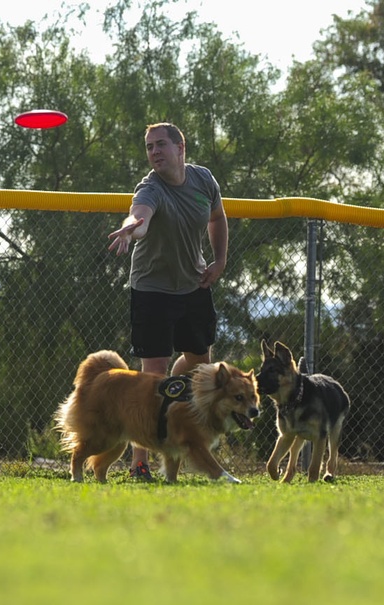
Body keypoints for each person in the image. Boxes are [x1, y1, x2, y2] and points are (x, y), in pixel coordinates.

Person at [106, 122, 228, 481]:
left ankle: (188, 435)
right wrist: (132, 226)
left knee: (199, 367)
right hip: (152, 290)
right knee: (151, 378)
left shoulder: (203, 180)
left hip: (194, 286)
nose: (154, 152)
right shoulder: (150, 187)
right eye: (148, 147)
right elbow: (140, 216)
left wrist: (219, 261)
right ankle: (139, 463)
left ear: (180, 148)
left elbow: (217, 218)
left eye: (160, 145)